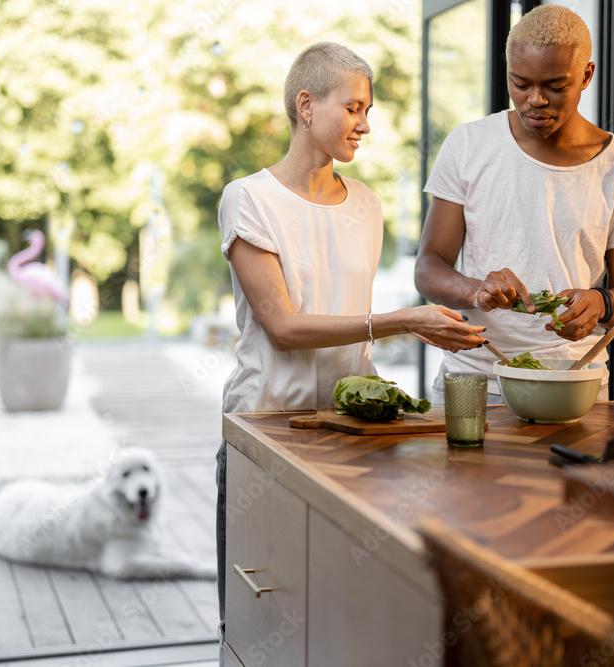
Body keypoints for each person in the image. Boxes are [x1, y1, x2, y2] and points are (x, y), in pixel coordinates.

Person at [215, 41, 485, 652]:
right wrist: (401, 321)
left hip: (351, 437)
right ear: (306, 106)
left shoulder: (366, 203)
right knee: (255, 617)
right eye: (354, 107)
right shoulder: (249, 198)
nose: (365, 123)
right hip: (266, 430)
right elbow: (283, 327)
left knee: (333, 621)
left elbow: (350, 319)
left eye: (369, 109)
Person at [414, 5, 614, 402]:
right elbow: (428, 268)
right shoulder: (468, 145)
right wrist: (477, 289)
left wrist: (601, 301)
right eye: (520, 83)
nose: (535, 100)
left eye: (555, 86)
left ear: (586, 76)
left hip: (575, 381)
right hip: (474, 378)